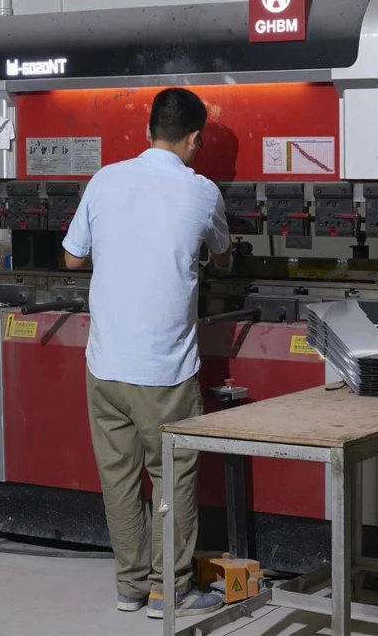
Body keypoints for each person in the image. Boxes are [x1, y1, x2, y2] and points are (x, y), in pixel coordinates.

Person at [62, 87, 232, 619]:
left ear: (147, 131)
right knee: (172, 476)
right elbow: (223, 258)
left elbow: (72, 259)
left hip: (105, 365)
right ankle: (170, 589)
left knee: (118, 478)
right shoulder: (202, 191)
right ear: (194, 139)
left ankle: (130, 586)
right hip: (165, 373)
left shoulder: (104, 179)